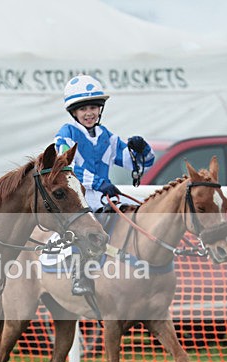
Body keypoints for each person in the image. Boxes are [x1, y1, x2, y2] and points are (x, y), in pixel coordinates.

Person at [55, 74, 155, 296]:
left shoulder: (107, 136)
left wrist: (143, 149)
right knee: (83, 227)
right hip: (77, 199)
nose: (89, 113)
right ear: (74, 112)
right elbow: (65, 166)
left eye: (93, 107)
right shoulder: (66, 133)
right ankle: (79, 276)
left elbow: (139, 165)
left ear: (100, 109)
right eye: (83, 109)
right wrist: (99, 183)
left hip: (103, 198)